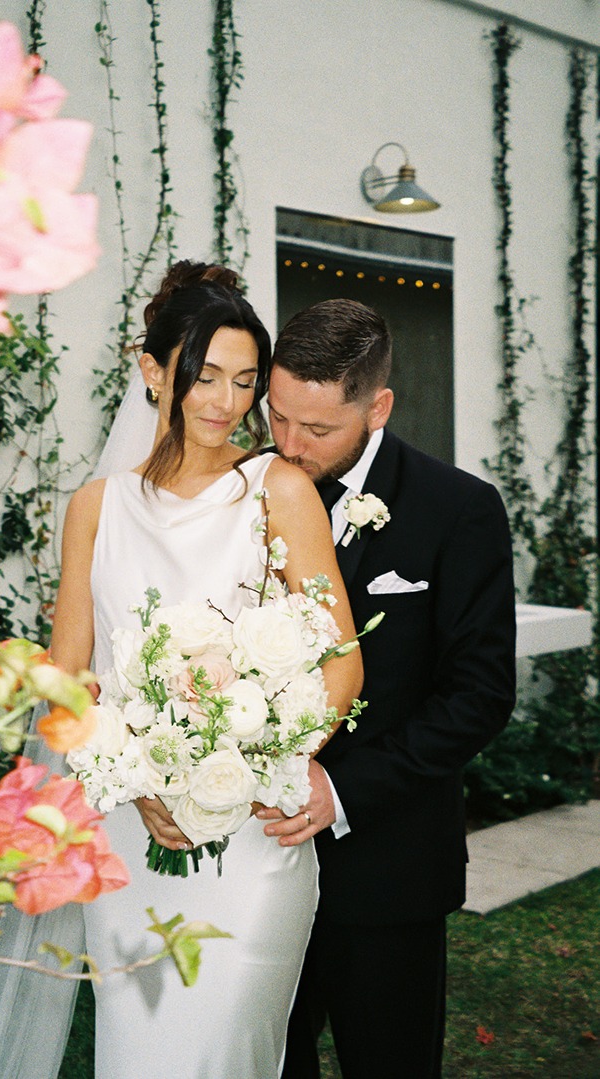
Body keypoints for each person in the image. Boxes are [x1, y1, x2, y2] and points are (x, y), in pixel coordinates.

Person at [0, 262, 362, 1079]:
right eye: (203, 377)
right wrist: (137, 783)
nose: (224, 402)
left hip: (253, 838)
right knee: (141, 1053)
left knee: (228, 1045)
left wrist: (252, 765)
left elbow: (340, 660)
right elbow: (67, 682)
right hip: (134, 837)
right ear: (153, 370)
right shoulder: (96, 507)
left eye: (244, 382)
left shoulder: (277, 488)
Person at [255, 298, 516, 1079]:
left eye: (319, 429)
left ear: (380, 406)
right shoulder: (242, 493)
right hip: (257, 868)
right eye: (278, 417)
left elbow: (479, 694)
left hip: (391, 871)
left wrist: (341, 787)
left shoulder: (458, 509)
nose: (291, 447)